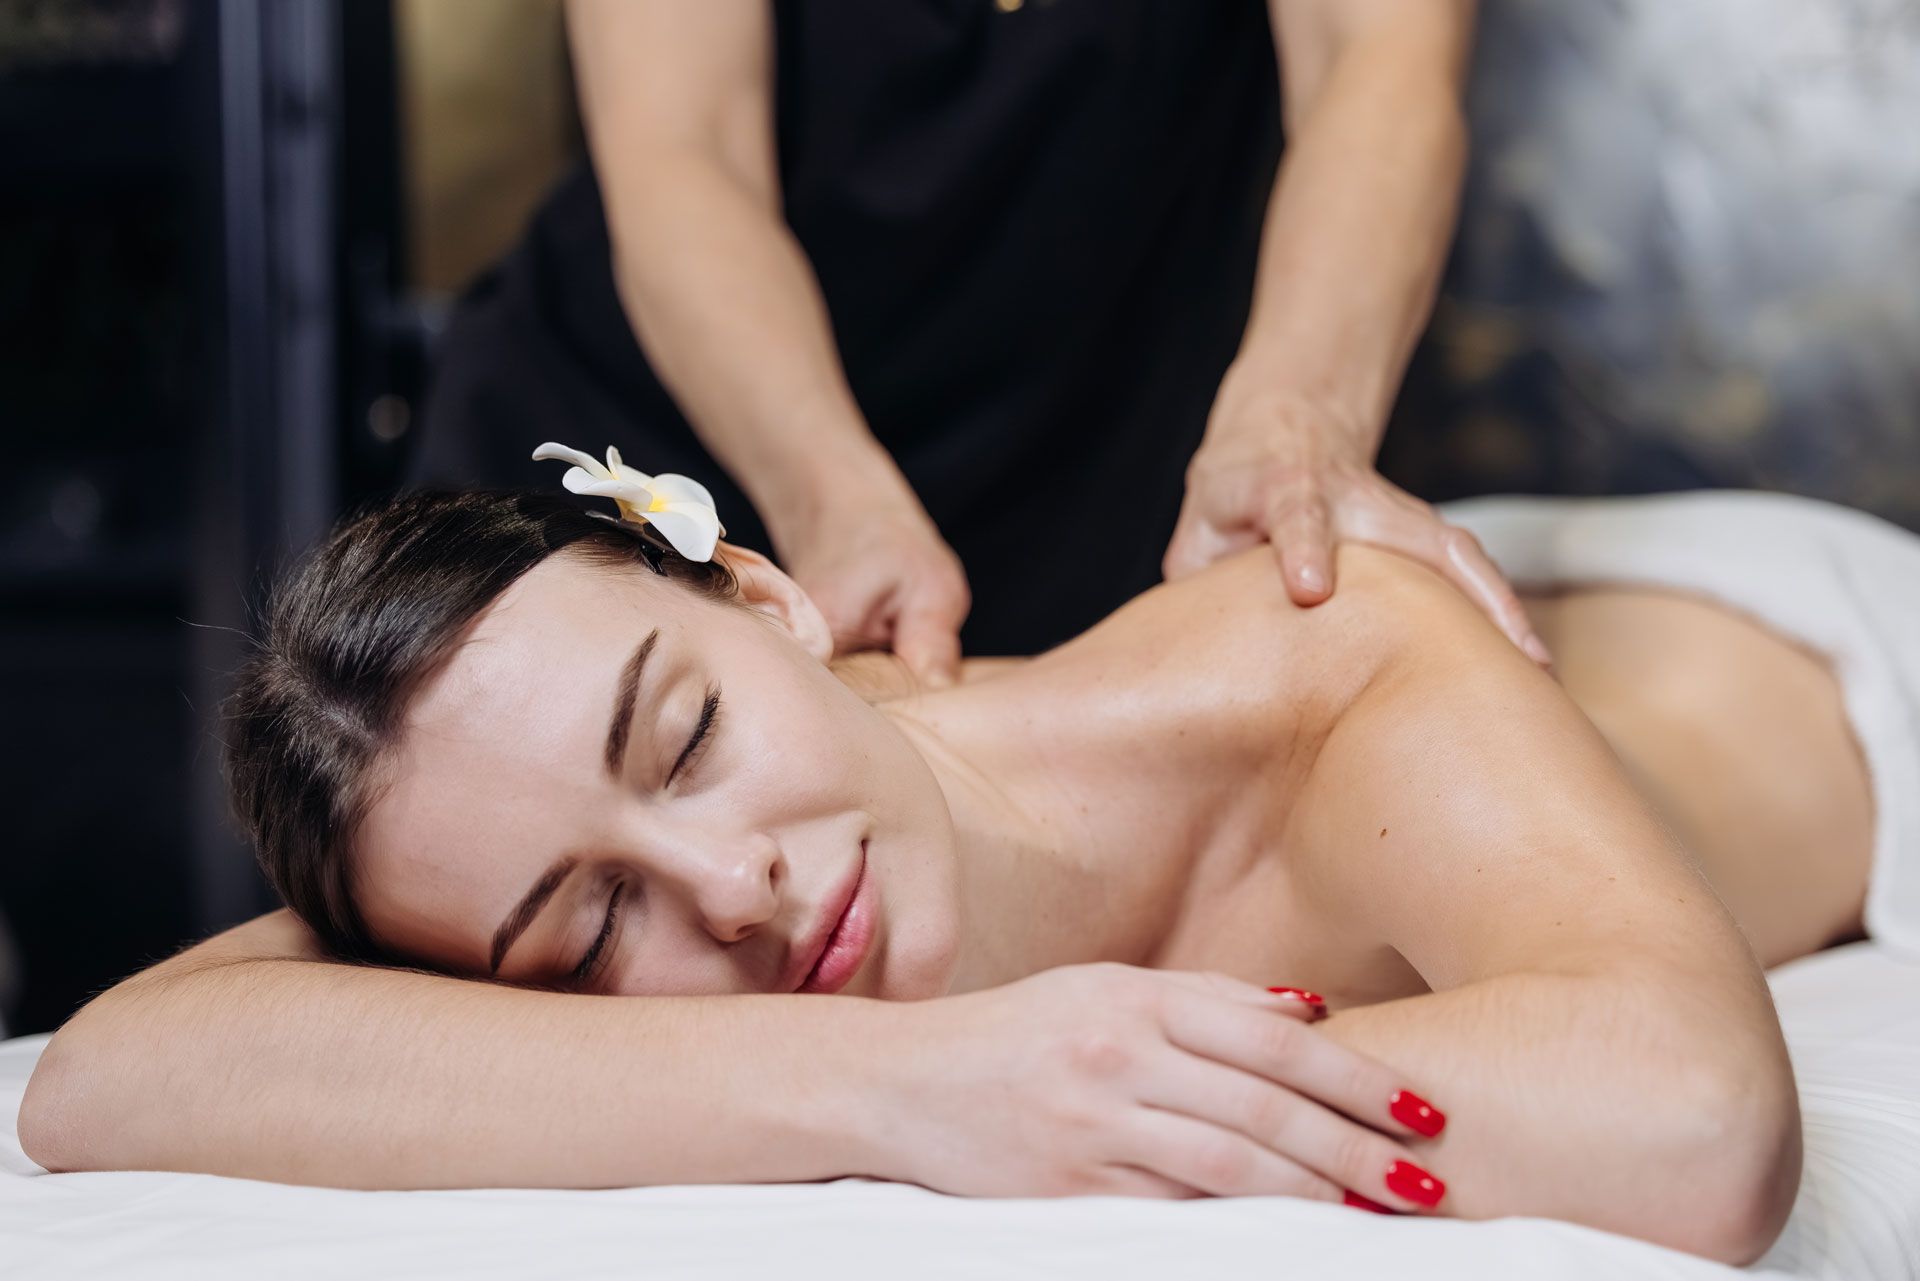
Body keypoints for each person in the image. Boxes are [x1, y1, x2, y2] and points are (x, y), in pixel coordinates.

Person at [32, 455, 1920, 1264]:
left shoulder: (1316, 667)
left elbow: (1693, 1127)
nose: (736, 892)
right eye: (590, 931)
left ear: (765, 601)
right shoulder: (503, 819)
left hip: (1818, 659)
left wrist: (1089, 1062)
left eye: (683, 738)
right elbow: (109, 1068)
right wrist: (910, 1078)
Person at [412, 0, 1550, 677]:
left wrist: (1303, 415)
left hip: (1112, 465)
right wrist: (833, 499)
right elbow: (682, 150)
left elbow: (1380, 66)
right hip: (672, 461)